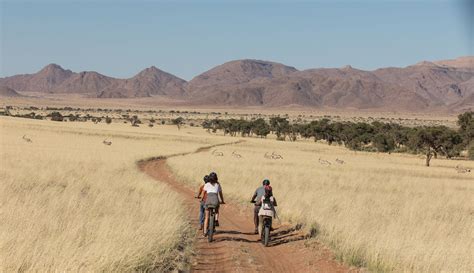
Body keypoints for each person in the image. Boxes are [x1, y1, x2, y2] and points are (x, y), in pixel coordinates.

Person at [203, 172, 225, 236]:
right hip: (215, 200)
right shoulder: (218, 184)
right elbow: (220, 194)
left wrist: (202, 199)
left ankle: (204, 231)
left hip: (208, 200)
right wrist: (222, 201)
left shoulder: (207, 184)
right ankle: (216, 219)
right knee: (217, 209)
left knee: (206, 217)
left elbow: (204, 192)